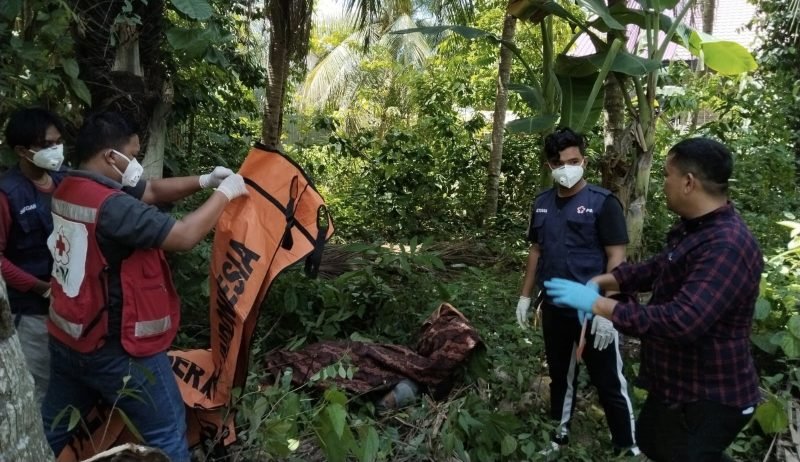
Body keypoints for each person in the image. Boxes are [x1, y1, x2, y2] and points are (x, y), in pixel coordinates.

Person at [40, 111, 248, 462]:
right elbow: (183, 236)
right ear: (110, 156)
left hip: (68, 338)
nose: (135, 164)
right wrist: (226, 194)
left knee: (54, 428)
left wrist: (205, 180)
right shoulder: (113, 208)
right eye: (133, 155)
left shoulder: (69, 187)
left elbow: (149, 189)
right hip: (119, 351)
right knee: (166, 432)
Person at [544, 137, 762, 461]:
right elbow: (655, 268)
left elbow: (680, 321)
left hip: (709, 395)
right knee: (651, 439)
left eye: (666, 175)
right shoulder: (694, 230)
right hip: (677, 385)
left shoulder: (725, 245)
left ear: (688, 183)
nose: (663, 183)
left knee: (682, 451)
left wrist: (599, 305)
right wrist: (602, 280)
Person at [516, 127, 638, 456]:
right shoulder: (541, 204)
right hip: (555, 306)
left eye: (573, 160)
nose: (567, 168)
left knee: (609, 380)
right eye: (559, 163)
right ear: (549, 166)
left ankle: (627, 445)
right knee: (560, 375)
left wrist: (608, 311)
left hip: (593, 308)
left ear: (583, 160)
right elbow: (536, 251)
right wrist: (525, 297)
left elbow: (617, 257)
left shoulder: (602, 203)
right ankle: (560, 434)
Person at [0, 108, 68, 403]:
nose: (55, 150)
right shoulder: (8, 194)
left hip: (69, 309)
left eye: (58, 142)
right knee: (36, 388)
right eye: (47, 145)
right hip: (29, 313)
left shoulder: (65, 181)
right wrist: (40, 288)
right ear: (22, 151)